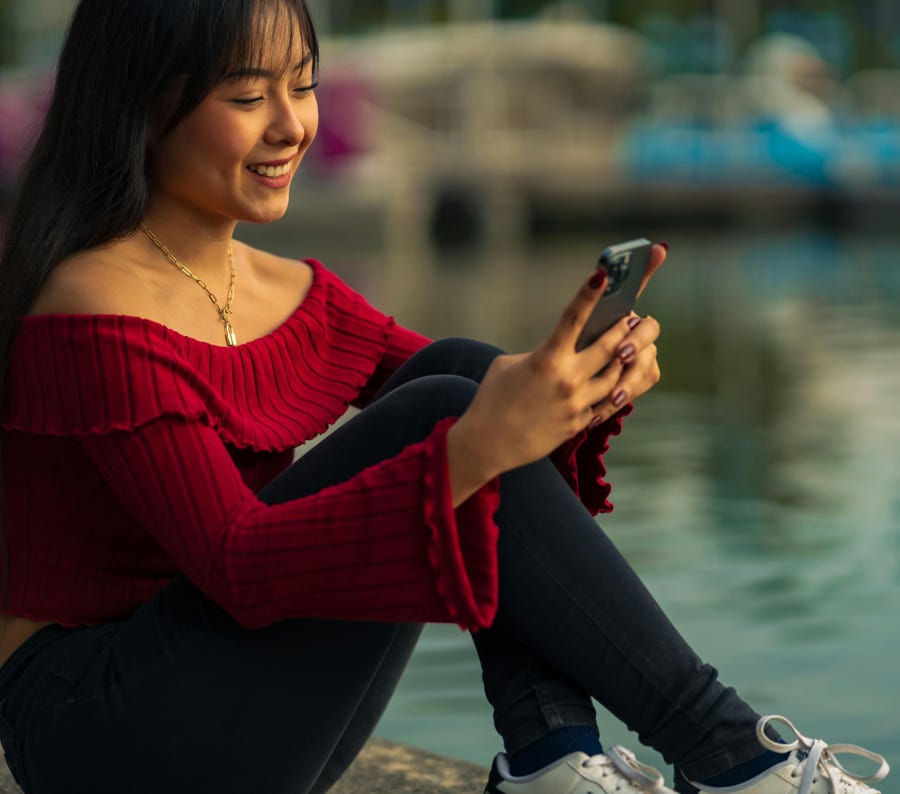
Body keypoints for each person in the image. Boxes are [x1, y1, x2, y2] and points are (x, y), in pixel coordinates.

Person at [0, 2, 889, 793]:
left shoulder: (284, 286)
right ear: (142, 102)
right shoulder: (91, 301)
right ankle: (737, 759)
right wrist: (480, 440)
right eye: (246, 98)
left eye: (303, 87)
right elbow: (238, 564)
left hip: (227, 705)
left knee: (462, 376)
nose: (291, 127)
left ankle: (550, 754)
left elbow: (485, 396)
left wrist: (583, 381)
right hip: (99, 729)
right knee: (453, 419)